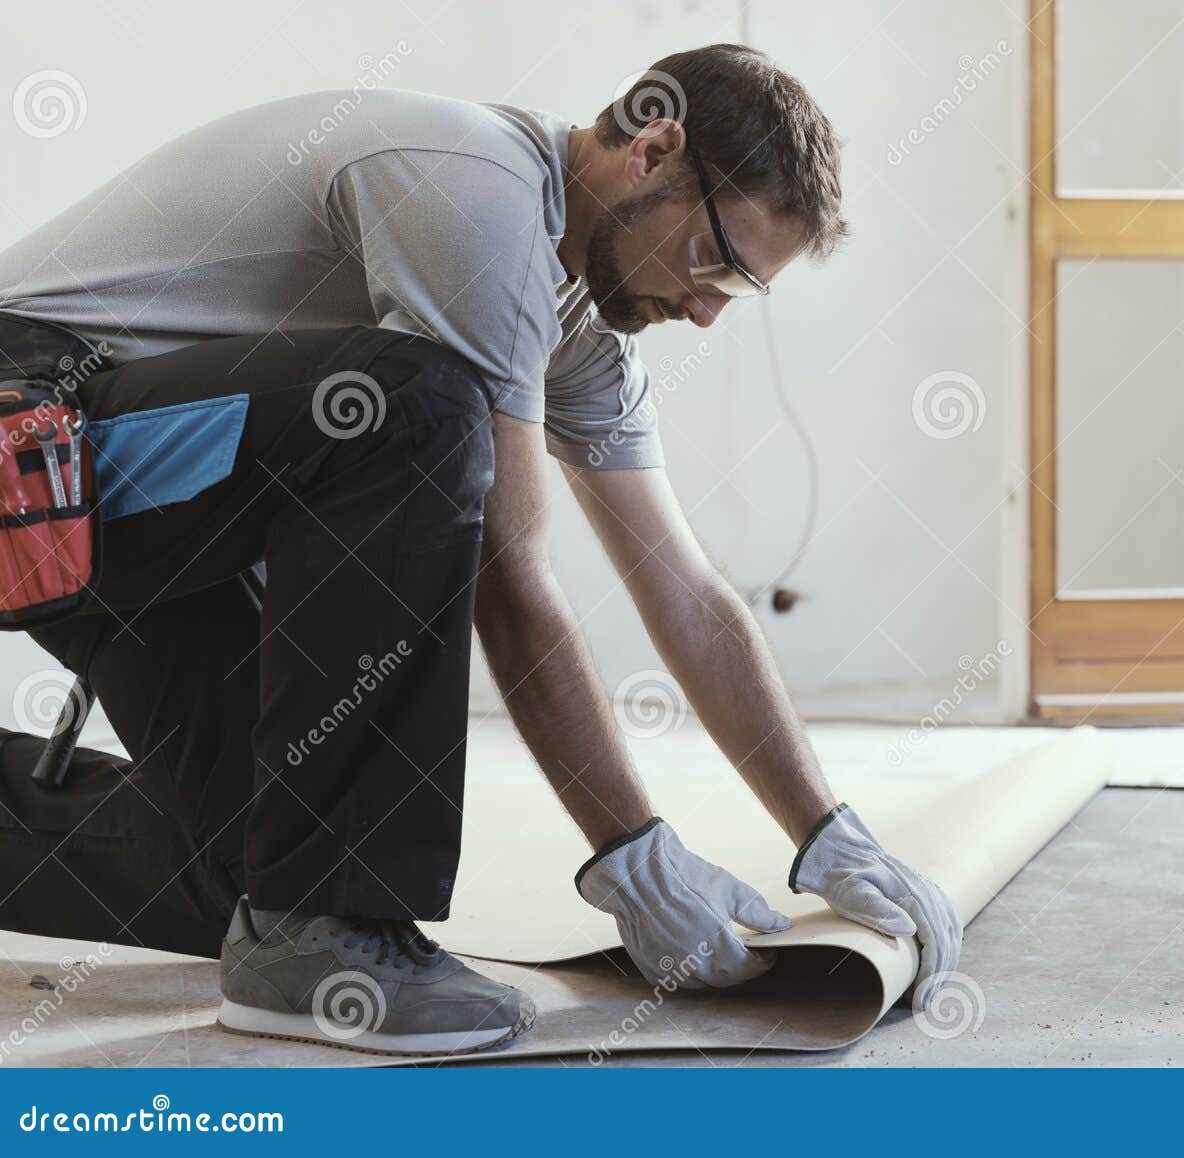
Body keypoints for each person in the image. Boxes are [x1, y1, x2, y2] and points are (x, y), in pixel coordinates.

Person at [0, 44, 960, 1056]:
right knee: (411, 409)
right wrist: (627, 851)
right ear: (653, 149)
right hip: (30, 441)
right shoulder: (474, 183)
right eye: (714, 262)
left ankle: (293, 915)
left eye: (741, 290)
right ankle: (328, 934)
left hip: (138, 504)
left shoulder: (581, 328)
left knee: (259, 861)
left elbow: (683, 588)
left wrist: (823, 831)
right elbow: (509, 574)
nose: (711, 309)